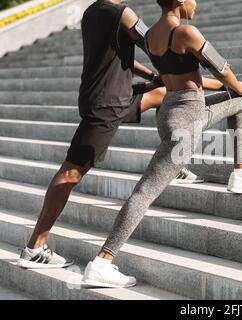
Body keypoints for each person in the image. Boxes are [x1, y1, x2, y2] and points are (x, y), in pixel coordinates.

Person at [81, 0, 242, 288]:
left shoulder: (151, 35)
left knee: (236, 101)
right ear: (181, 1)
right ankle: (103, 261)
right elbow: (221, 68)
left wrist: (232, 88)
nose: (196, 4)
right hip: (188, 122)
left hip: (171, 113)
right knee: (144, 192)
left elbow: (179, 77)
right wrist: (239, 86)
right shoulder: (187, 33)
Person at [16, 0, 203, 269]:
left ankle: (176, 164)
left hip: (110, 95)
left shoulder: (93, 11)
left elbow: (126, 56)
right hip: (108, 103)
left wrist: (153, 76)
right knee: (71, 172)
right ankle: (34, 247)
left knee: (162, 95)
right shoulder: (123, 14)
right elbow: (154, 44)